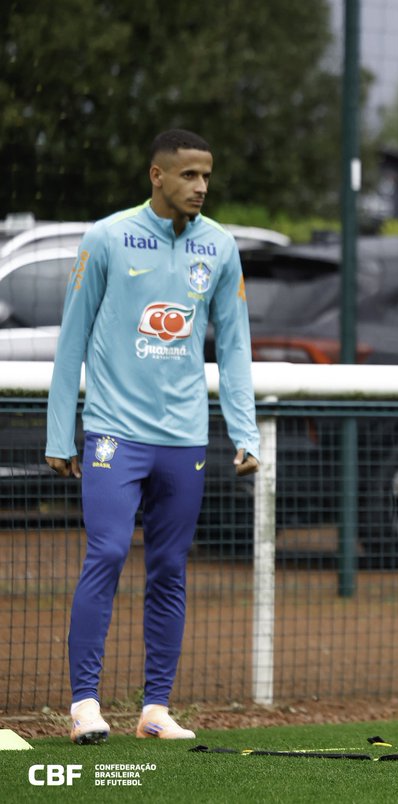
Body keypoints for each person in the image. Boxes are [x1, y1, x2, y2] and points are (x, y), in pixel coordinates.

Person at [45, 129, 261, 744]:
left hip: (185, 439)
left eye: (207, 175)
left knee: (169, 568)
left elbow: (235, 345)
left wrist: (244, 430)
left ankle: (155, 710)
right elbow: (71, 338)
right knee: (108, 552)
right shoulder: (107, 237)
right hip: (114, 432)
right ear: (156, 176)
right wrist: (60, 433)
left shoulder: (220, 246)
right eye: (189, 175)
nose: (201, 186)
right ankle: (84, 704)